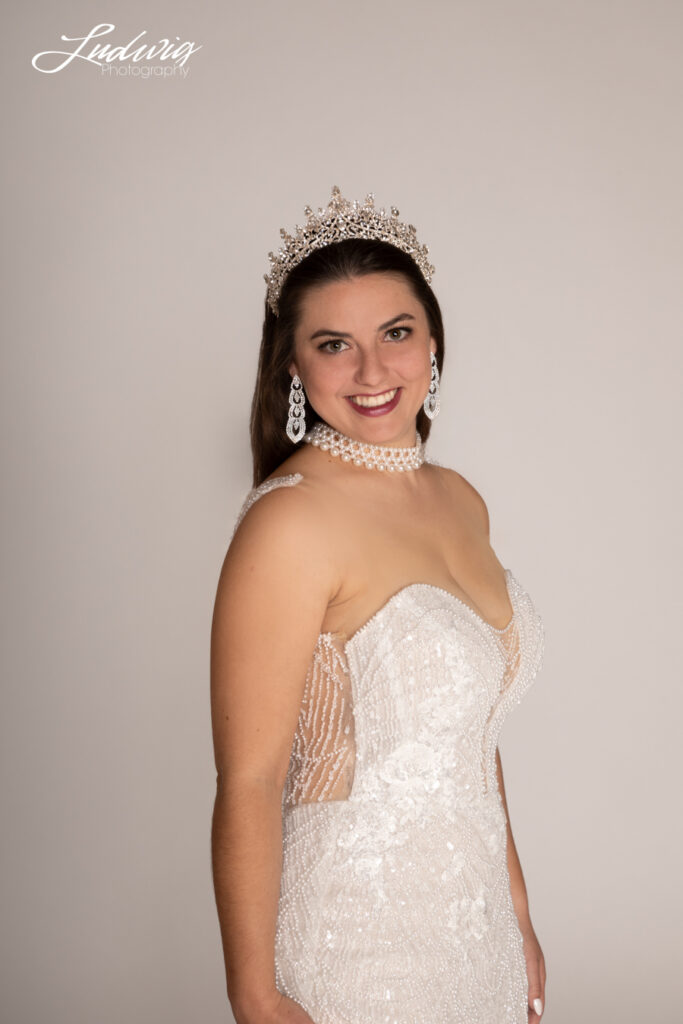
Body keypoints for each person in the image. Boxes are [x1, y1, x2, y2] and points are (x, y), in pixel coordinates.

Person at [210, 186, 547, 1024]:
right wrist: (255, 996)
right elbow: (248, 779)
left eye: (395, 333)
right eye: (334, 345)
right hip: (356, 940)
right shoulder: (290, 520)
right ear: (291, 364)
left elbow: (473, 744)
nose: (371, 372)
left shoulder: (459, 499)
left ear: (431, 341)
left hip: (474, 932)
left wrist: (519, 917)